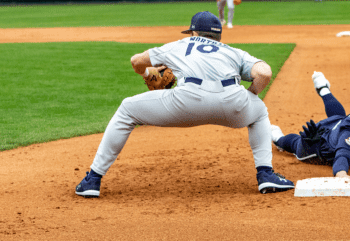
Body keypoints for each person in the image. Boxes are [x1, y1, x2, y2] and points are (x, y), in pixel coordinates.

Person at [75, 11, 295, 197]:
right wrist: (250, 96)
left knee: (127, 109)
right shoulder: (233, 51)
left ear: (194, 33)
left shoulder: (182, 44)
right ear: (217, 36)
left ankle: (93, 180)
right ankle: (265, 174)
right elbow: (264, 72)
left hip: (186, 102)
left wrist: (147, 73)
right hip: (232, 101)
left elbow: (136, 61)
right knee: (259, 113)